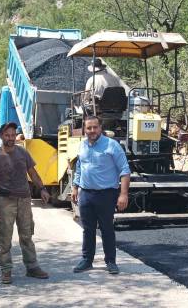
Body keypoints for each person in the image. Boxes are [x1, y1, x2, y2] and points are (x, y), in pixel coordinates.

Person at [0, 122, 50, 284]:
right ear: (1, 136)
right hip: (5, 202)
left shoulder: (23, 153)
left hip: (24, 200)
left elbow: (33, 173)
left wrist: (42, 188)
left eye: (13, 135)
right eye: (7, 135)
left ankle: (32, 267)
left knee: (27, 235)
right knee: (5, 237)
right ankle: (6, 270)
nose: (10, 138)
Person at [71, 116, 130, 275]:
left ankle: (110, 261)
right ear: (84, 129)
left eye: (94, 127)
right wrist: (75, 187)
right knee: (88, 229)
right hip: (86, 194)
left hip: (106, 194)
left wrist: (123, 195)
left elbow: (124, 171)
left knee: (107, 229)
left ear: (100, 128)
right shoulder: (82, 145)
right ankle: (87, 260)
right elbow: (79, 168)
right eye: (88, 128)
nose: (91, 131)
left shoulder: (112, 145)